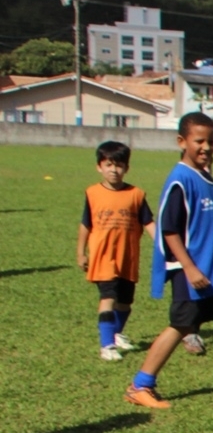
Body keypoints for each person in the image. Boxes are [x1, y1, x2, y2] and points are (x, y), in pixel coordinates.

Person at [124, 112, 213, 409]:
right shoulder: (180, 180)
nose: (206, 147)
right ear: (181, 141)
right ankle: (140, 385)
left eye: (210, 141)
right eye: (199, 141)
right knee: (181, 325)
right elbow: (169, 230)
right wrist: (189, 267)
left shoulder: (208, 178)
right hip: (192, 271)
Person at [76, 140, 153, 361]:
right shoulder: (92, 193)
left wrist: (163, 244)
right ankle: (106, 345)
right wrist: (81, 252)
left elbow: (148, 222)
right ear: (99, 167)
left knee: (125, 302)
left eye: (119, 166)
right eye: (108, 165)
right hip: (103, 256)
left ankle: (116, 334)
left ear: (126, 168)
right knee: (108, 297)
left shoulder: (136, 194)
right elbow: (85, 224)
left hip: (127, 257)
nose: (114, 170)